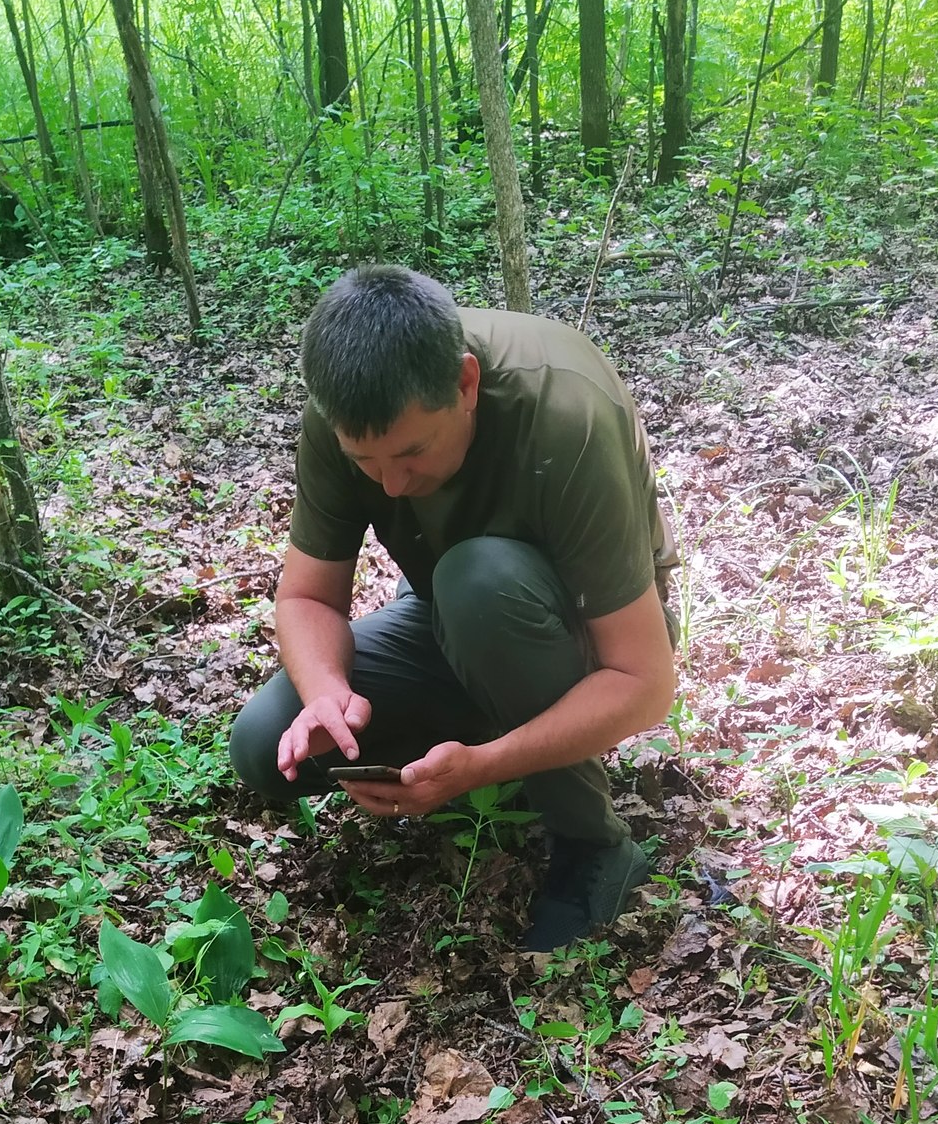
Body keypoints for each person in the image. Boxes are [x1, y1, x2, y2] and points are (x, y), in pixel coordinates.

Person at [229, 265, 678, 950]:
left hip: (581, 629)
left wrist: (489, 763)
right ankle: (485, 733)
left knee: (478, 581)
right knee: (265, 745)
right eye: (366, 461)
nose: (392, 482)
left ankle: (593, 845)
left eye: (412, 451)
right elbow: (306, 595)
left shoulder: (563, 414)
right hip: (453, 612)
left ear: (466, 384)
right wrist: (326, 695)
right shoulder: (340, 416)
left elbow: (645, 684)